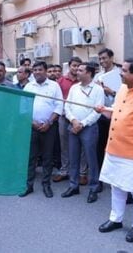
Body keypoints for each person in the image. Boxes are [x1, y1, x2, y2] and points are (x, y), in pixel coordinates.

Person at [97, 59, 133, 243]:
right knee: (116, 185)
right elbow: (118, 113)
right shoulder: (123, 89)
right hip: (114, 148)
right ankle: (115, 219)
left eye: (124, 71)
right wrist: (104, 110)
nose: (120, 73)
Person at [61, 63, 104, 203]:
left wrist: (83, 124)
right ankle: (74, 186)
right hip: (73, 126)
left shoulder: (98, 89)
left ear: (89, 73)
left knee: (91, 159)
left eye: (80, 70)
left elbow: (98, 111)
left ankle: (93, 188)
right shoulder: (74, 88)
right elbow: (67, 106)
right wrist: (73, 121)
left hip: (89, 128)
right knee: (73, 158)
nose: (76, 72)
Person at [20, 61, 63, 198]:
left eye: (40, 69)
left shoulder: (54, 86)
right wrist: (32, 123)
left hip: (49, 127)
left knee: (47, 157)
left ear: (45, 71)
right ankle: (28, 185)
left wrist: (49, 122)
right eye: (35, 70)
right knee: (31, 157)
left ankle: (46, 185)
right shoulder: (28, 86)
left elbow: (59, 105)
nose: (37, 72)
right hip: (32, 126)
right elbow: (23, 108)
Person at [53, 57, 88, 185]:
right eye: (74, 65)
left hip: (81, 118)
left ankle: (82, 173)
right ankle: (64, 170)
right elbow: (57, 99)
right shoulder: (60, 81)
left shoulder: (85, 81)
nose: (76, 68)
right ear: (69, 66)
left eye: (79, 66)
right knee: (65, 146)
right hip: (65, 117)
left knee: (83, 146)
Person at [95, 48, 122, 169]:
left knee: (116, 146)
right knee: (100, 145)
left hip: (117, 115)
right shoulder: (98, 76)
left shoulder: (120, 73)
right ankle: (101, 173)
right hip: (102, 115)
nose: (102, 61)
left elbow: (125, 94)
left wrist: (111, 92)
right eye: (100, 59)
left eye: (104, 58)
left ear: (111, 58)